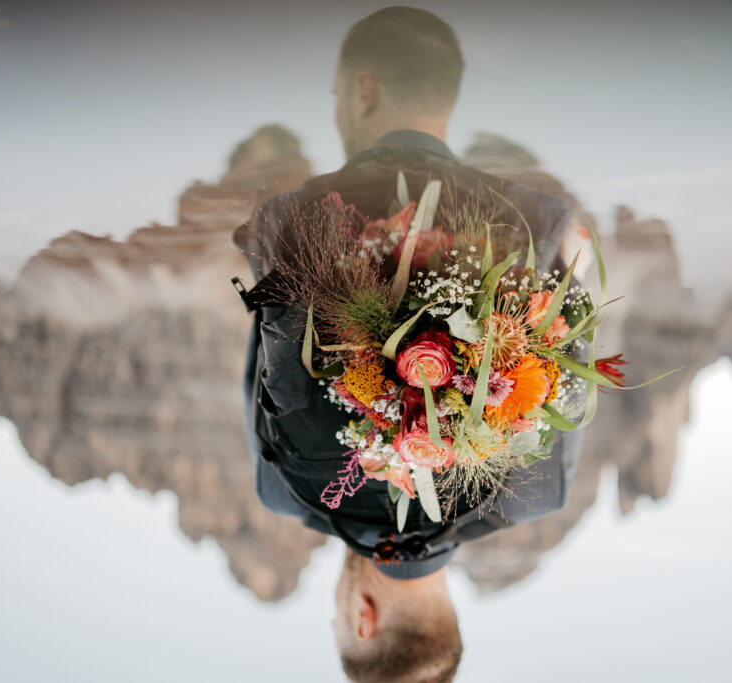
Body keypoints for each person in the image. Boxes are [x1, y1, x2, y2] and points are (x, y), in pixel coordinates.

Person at [233, 7, 589, 682]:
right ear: (362, 617)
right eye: (337, 616)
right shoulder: (284, 489)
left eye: (335, 94)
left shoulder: (539, 490)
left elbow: (564, 323)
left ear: (365, 90)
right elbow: (269, 334)